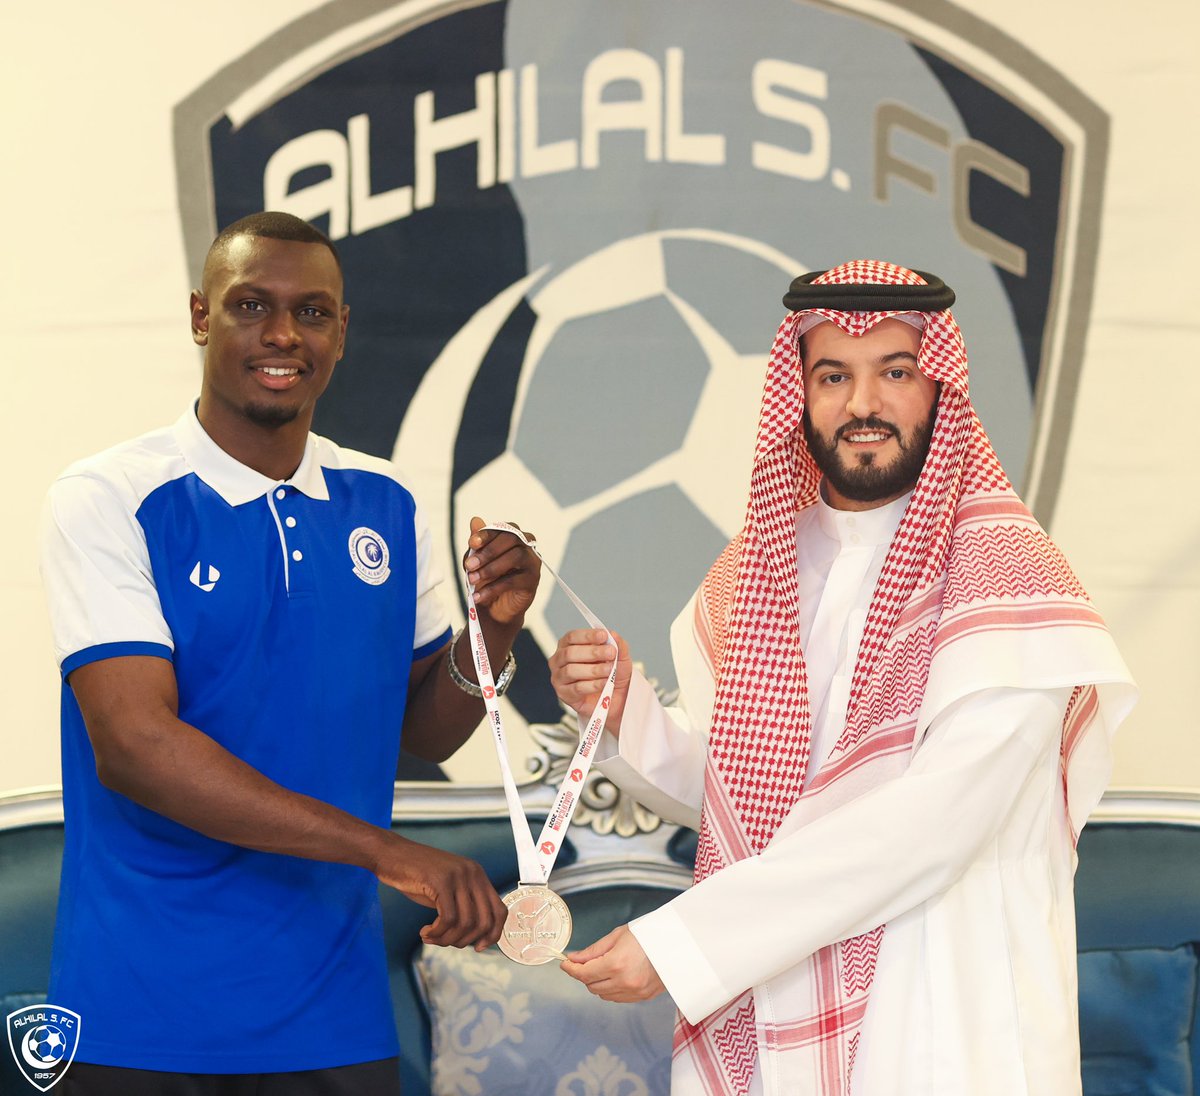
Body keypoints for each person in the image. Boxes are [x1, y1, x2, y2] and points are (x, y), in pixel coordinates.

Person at [548, 260, 1135, 1096]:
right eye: (833, 376)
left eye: (895, 372)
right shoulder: (752, 575)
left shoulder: (1009, 578)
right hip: (777, 997)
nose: (863, 404)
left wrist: (686, 945)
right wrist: (621, 715)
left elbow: (936, 820)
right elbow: (745, 796)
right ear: (800, 393)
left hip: (943, 1015)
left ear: (939, 388)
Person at [38, 211, 540, 1095]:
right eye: (250, 306)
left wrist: (492, 629)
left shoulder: (387, 500)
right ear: (201, 317)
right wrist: (390, 854)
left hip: (334, 1018)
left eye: (311, 312)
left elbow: (426, 730)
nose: (281, 334)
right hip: (141, 1015)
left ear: (341, 332)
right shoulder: (109, 495)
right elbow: (135, 747)